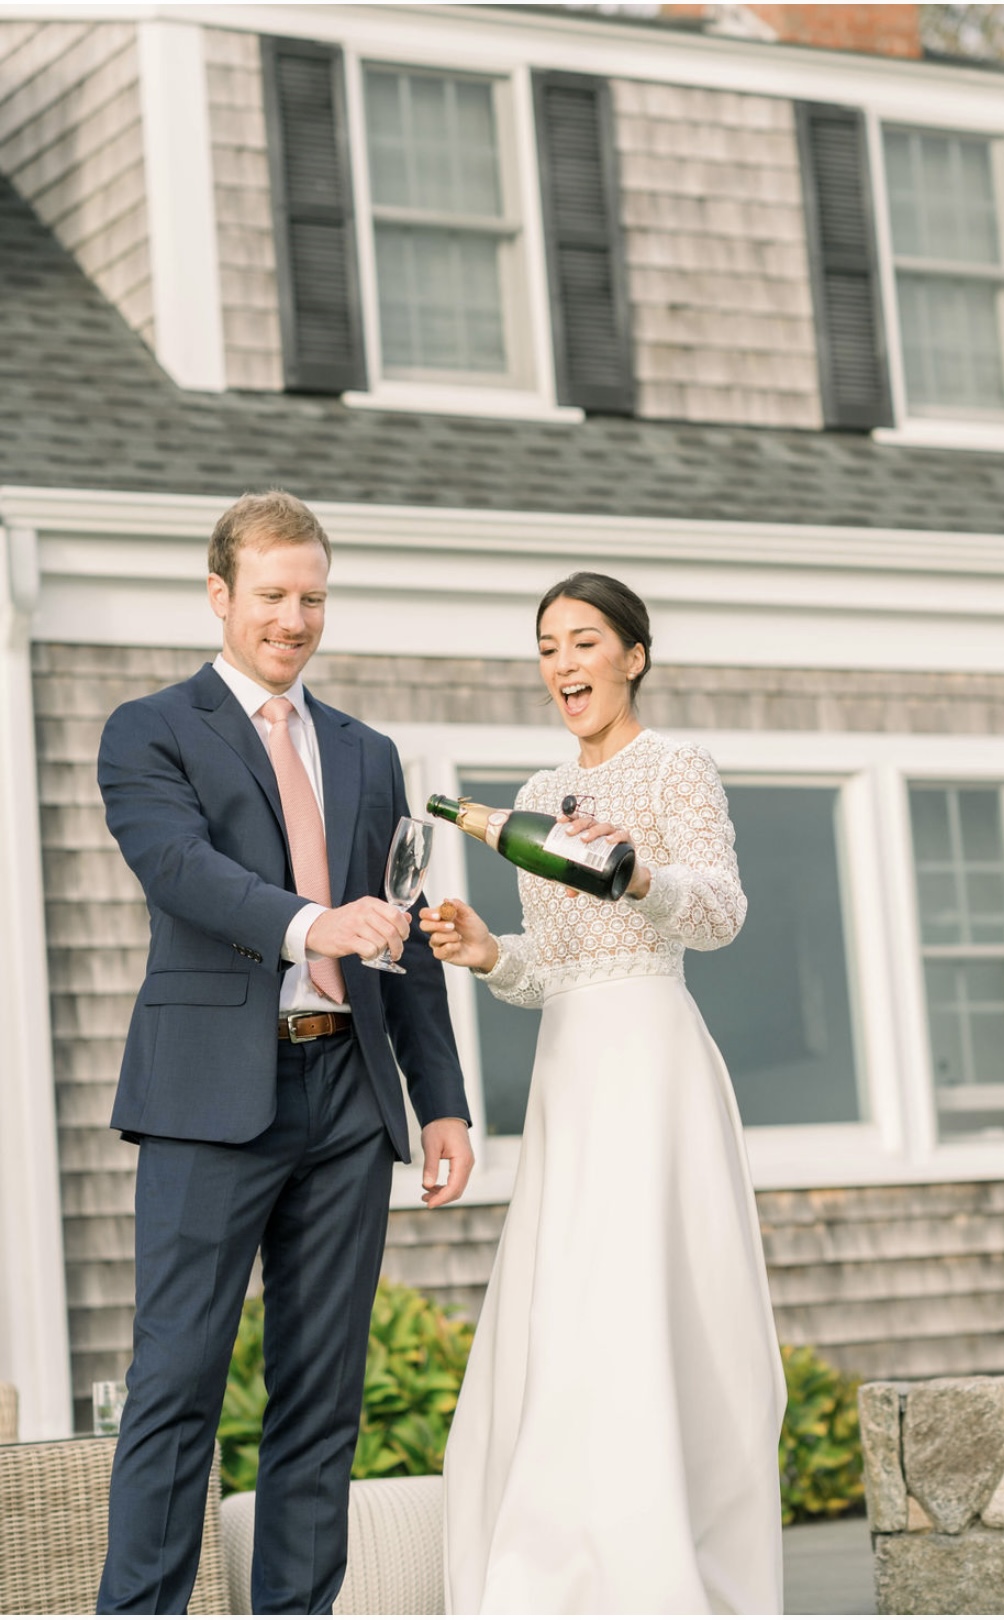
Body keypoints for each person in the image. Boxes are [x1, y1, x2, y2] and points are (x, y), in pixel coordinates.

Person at [95, 491, 473, 1615]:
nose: (292, 619)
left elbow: (400, 927)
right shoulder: (149, 730)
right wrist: (316, 925)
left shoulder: (367, 750)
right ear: (220, 596)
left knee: (321, 1396)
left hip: (346, 1104)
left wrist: (440, 1102)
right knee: (176, 1382)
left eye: (311, 597)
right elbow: (182, 873)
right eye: (270, 596)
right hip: (209, 1101)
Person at [421, 572, 785, 1615]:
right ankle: (560, 1574)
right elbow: (555, 968)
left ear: (631, 655)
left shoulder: (676, 770)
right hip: (570, 1076)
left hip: (650, 1066)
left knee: (649, 1309)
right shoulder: (533, 801)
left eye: (584, 642)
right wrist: (491, 954)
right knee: (568, 1315)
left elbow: (716, 914)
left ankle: (664, 1570)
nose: (563, 665)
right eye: (547, 648)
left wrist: (634, 878)